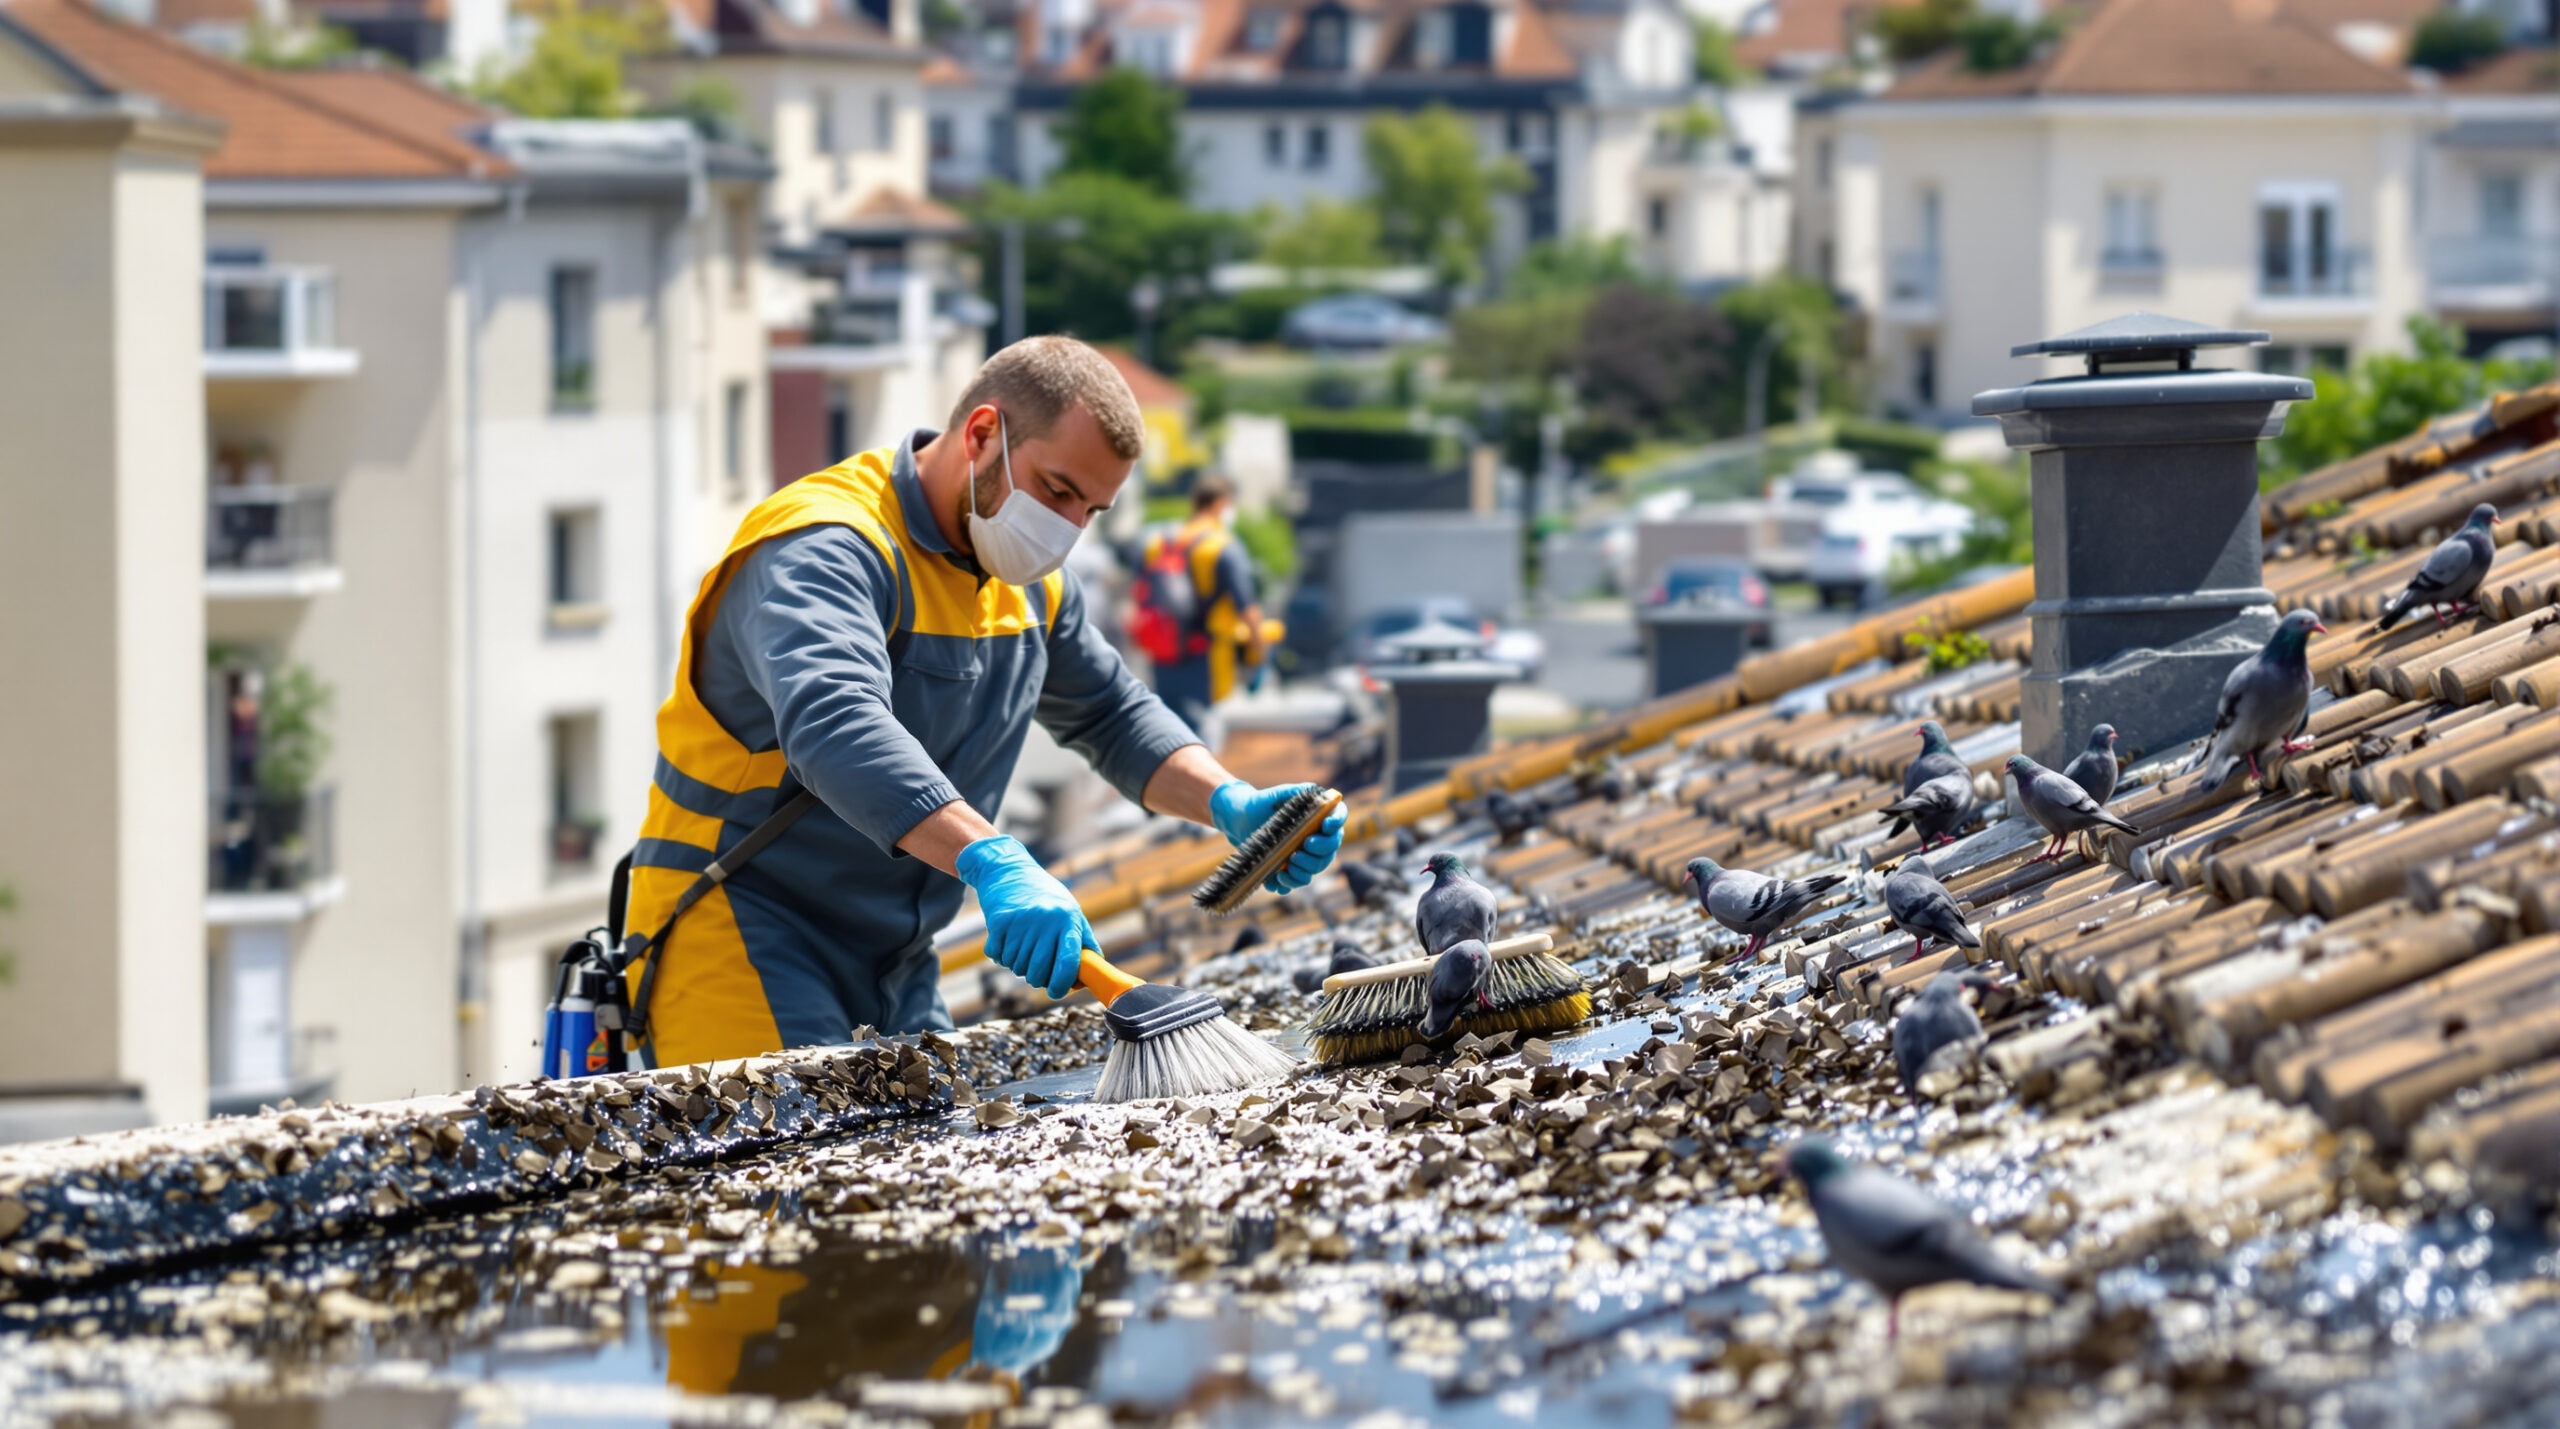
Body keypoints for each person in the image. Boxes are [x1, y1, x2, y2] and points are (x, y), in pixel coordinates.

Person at [619, 337, 1343, 1067]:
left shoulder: (1028, 584)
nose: (1067, 528)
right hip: (741, 922)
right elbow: (836, 725)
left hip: (896, 953)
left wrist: (1230, 800)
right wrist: (992, 858)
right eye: (1057, 489)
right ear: (982, 434)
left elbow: (1112, 714)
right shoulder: (825, 544)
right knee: (785, 1171)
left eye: (1091, 509)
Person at [1140, 474, 1270, 736]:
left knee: (1168, 729)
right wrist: (1259, 652)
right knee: (1201, 732)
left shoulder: (1160, 543)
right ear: (1221, 503)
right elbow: (1247, 608)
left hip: (1163, 651)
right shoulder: (1222, 546)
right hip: (1205, 655)